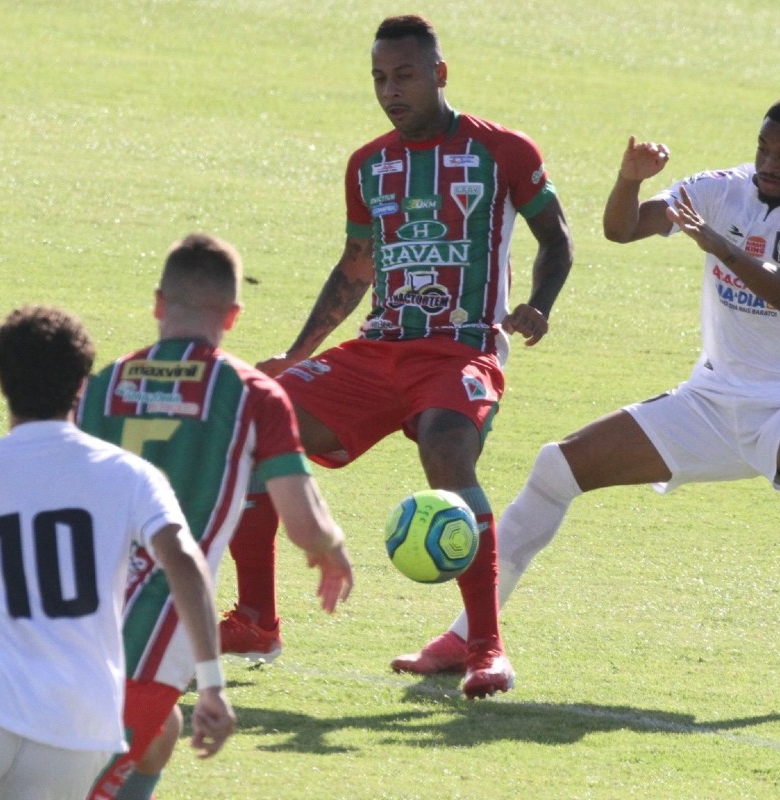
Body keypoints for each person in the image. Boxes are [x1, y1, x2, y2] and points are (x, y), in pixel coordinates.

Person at [407, 94, 780, 716]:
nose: (769, 162)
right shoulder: (719, 189)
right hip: (710, 401)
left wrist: (723, 249)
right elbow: (622, 228)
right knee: (555, 465)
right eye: (763, 147)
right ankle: (467, 636)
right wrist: (628, 181)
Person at [220, 13, 574, 699]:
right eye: (380, 78)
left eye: (405, 75)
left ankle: (485, 648)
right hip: (379, 350)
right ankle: (258, 620)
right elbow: (357, 266)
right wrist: (297, 354)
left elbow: (556, 239)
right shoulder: (368, 165)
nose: (391, 90)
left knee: (446, 449)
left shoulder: (504, 152)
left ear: (439, 74)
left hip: (460, 348)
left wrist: (540, 304)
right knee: (252, 426)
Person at [0, 306, 235, 800]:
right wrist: (212, 681)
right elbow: (184, 561)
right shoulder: (132, 475)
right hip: (80, 722)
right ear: (84, 384)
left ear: (2, 382)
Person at [76, 233, 354, 799]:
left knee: (161, 731)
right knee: (80, 780)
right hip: (158, 620)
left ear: (158, 304)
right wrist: (330, 545)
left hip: (73, 609)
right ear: (232, 315)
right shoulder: (251, 392)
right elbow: (302, 522)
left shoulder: (101, 386)